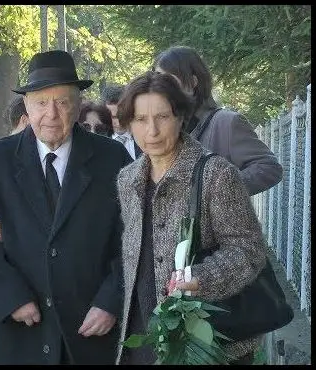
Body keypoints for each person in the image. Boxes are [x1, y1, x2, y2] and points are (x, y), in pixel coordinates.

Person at [0, 50, 132, 365]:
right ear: (26, 106)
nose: (51, 114)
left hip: (91, 332)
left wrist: (111, 301)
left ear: (78, 105)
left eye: (62, 102)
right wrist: (10, 297)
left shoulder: (113, 160)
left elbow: (134, 238)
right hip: (22, 332)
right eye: (41, 103)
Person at [114, 71, 267, 365]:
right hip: (143, 337)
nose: (152, 131)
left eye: (162, 117)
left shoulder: (215, 174)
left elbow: (248, 251)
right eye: (140, 120)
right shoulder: (127, 179)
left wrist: (201, 277)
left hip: (204, 343)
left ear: (181, 117)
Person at [153, 45, 282, 195]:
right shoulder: (161, 126)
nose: (160, 86)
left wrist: (218, 192)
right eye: (157, 78)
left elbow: (269, 168)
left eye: (168, 80)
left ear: (193, 82)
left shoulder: (227, 122)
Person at [102, 83, 142, 159]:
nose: (118, 122)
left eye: (121, 115)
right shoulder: (99, 141)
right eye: (113, 117)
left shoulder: (143, 135)